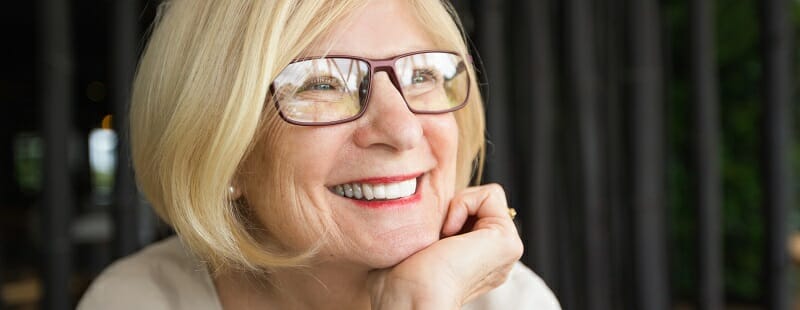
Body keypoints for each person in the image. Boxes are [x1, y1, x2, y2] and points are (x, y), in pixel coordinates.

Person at [78, 0, 560, 309]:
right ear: (223, 147)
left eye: (421, 75)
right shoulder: (136, 301)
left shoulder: (511, 301)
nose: (403, 129)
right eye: (322, 83)